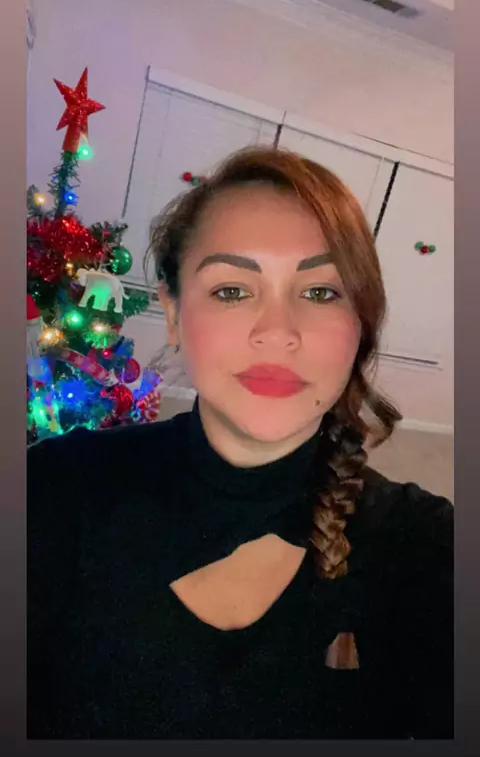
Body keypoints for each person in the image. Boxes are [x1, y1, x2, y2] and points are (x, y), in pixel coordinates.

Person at [27, 147, 453, 740]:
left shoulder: (430, 546)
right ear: (173, 314)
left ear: (361, 324)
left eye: (321, 292)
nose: (277, 332)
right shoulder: (50, 491)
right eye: (231, 290)